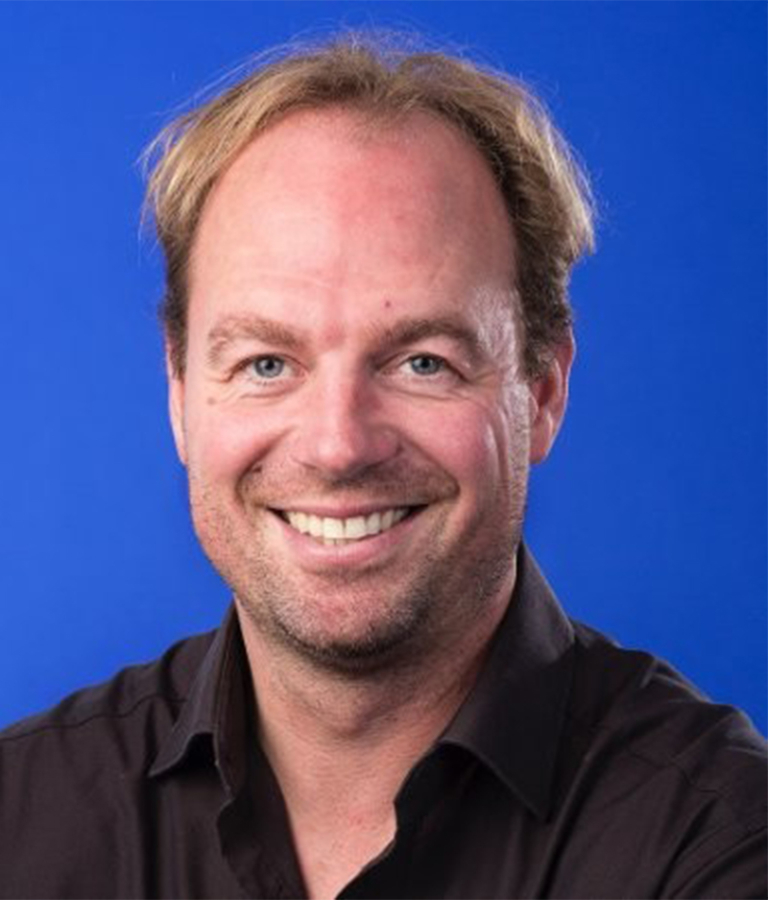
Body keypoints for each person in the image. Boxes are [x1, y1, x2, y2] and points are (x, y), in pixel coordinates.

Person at [1, 33, 765, 900]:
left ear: (543, 391)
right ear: (180, 394)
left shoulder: (718, 841)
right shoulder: (22, 822)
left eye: (423, 363)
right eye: (265, 363)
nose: (338, 446)